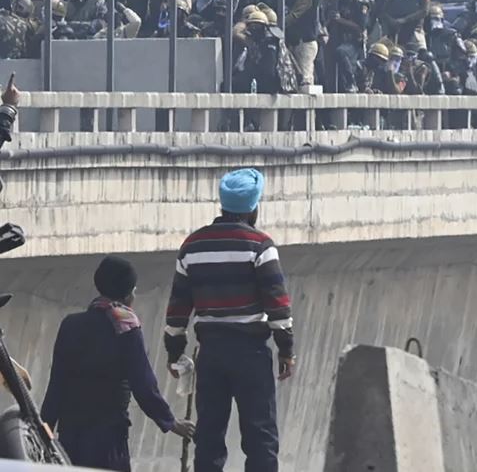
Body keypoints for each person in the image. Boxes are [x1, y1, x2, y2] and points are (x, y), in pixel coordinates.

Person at [165, 168, 295, 472]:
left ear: (223, 205)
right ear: (253, 208)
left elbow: (178, 307)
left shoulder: (192, 246)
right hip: (251, 352)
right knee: (260, 437)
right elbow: (278, 305)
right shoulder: (261, 246)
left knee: (209, 436)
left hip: (210, 353)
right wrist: (286, 350)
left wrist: (174, 352)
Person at [41, 256, 195, 471]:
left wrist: (43, 433)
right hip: (108, 440)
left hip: (71, 437)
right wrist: (171, 422)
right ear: (127, 294)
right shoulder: (126, 328)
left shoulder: (70, 325)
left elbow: (56, 384)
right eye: (133, 289)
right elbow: (143, 385)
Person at [330, 0, 371, 93]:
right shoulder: (336, 2)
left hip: (354, 42)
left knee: (341, 52)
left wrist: (340, 20)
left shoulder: (360, 4)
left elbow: (360, 27)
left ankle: (351, 81)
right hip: (338, 38)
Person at [284, 0, 321, 88]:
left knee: (305, 80)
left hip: (305, 41)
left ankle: (307, 107)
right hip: (293, 41)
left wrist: (279, 24)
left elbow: (293, 16)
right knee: (293, 77)